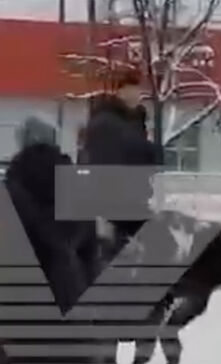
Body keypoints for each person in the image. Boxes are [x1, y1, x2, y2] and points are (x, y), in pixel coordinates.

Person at [0, 116, 113, 364]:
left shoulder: (12, 187)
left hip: (23, 298)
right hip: (68, 294)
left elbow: (1, 253)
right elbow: (91, 250)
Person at [80, 67, 163, 266]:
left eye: (138, 89)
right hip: (114, 205)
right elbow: (116, 159)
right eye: (130, 89)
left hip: (135, 201)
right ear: (119, 91)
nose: (136, 94)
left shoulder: (134, 121)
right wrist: (149, 152)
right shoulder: (106, 123)